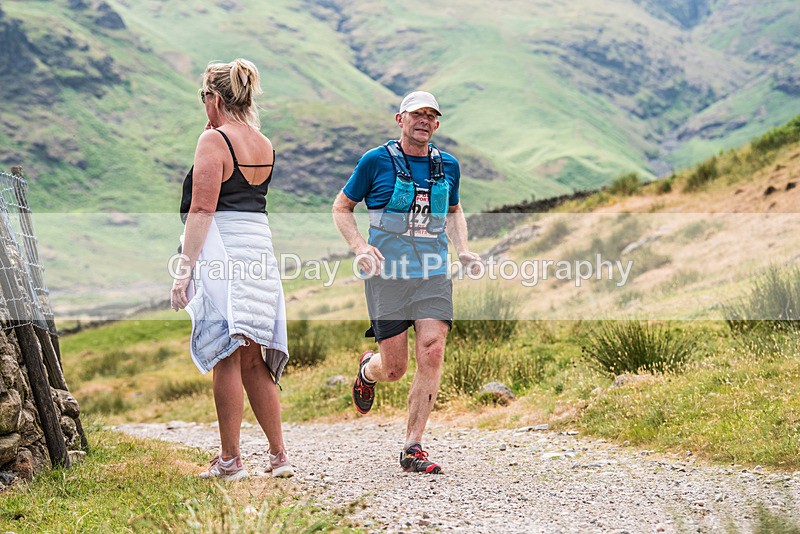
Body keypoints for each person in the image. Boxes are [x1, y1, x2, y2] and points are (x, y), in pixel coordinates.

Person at [332, 90, 481, 474]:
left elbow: (454, 210)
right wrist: (360, 247)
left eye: (432, 115)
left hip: (433, 272)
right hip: (387, 275)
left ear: (437, 123)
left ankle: (413, 446)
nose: (424, 121)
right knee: (395, 368)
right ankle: (369, 369)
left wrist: (462, 249)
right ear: (400, 119)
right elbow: (342, 207)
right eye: (417, 114)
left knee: (432, 350)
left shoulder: (448, 165)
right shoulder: (375, 161)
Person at [170, 58, 293, 481]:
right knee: (253, 358)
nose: (203, 104)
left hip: (225, 250)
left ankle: (230, 460)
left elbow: (203, 209)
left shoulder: (214, 142)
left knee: (226, 353)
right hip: (260, 249)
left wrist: (183, 270)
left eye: (204, 96)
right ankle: (279, 457)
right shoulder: (263, 142)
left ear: (215, 98)